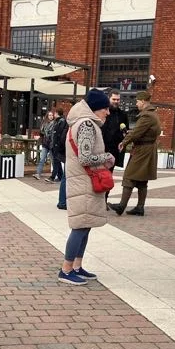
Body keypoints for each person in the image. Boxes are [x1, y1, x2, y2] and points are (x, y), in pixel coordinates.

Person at [59, 89, 114, 285]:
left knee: (85, 225)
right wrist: (107, 157)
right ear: (95, 108)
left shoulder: (84, 123)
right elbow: (85, 157)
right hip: (84, 182)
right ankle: (66, 270)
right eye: (105, 108)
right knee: (80, 227)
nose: (108, 112)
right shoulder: (86, 125)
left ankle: (76, 266)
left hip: (85, 182)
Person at [109, 91, 160, 216]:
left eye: (137, 101)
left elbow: (136, 132)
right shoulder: (153, 114)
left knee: (129, 176)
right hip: (147, 149)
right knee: (142, 180)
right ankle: (140, 207)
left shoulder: (147, 116)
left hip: (142, 150)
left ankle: (121, 206)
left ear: (143, 101)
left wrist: (124, 142)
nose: (136, 104)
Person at [101, 89, 129, 202]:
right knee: (98, 175)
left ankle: (104, 200)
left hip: (113, 151)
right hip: (101, 149)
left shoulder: (122, 115)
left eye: (118, 99)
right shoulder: (102, 112)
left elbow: (125, 131)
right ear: (109, 99)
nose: (116, 101)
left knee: (108, 176)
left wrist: (124, 139)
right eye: (114, 99)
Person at [52, 108, 69, 210]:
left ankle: (62, 201)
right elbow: (62, 139)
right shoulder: (65, 123)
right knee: (66, 177)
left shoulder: (61, 122)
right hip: (68, 153)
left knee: (65, 177)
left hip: (62, 151)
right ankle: (62, 202)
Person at [33, 111, 55, 181]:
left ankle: (55, 175)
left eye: (52, 115)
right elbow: (41, 132)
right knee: (42, 159)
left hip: (51, 145)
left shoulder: (54, 123)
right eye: (49, 115)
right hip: (45, 144)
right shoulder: (44, 124)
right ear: (47, 116)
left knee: (53, 160)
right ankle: (38, 174)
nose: (51, 116)